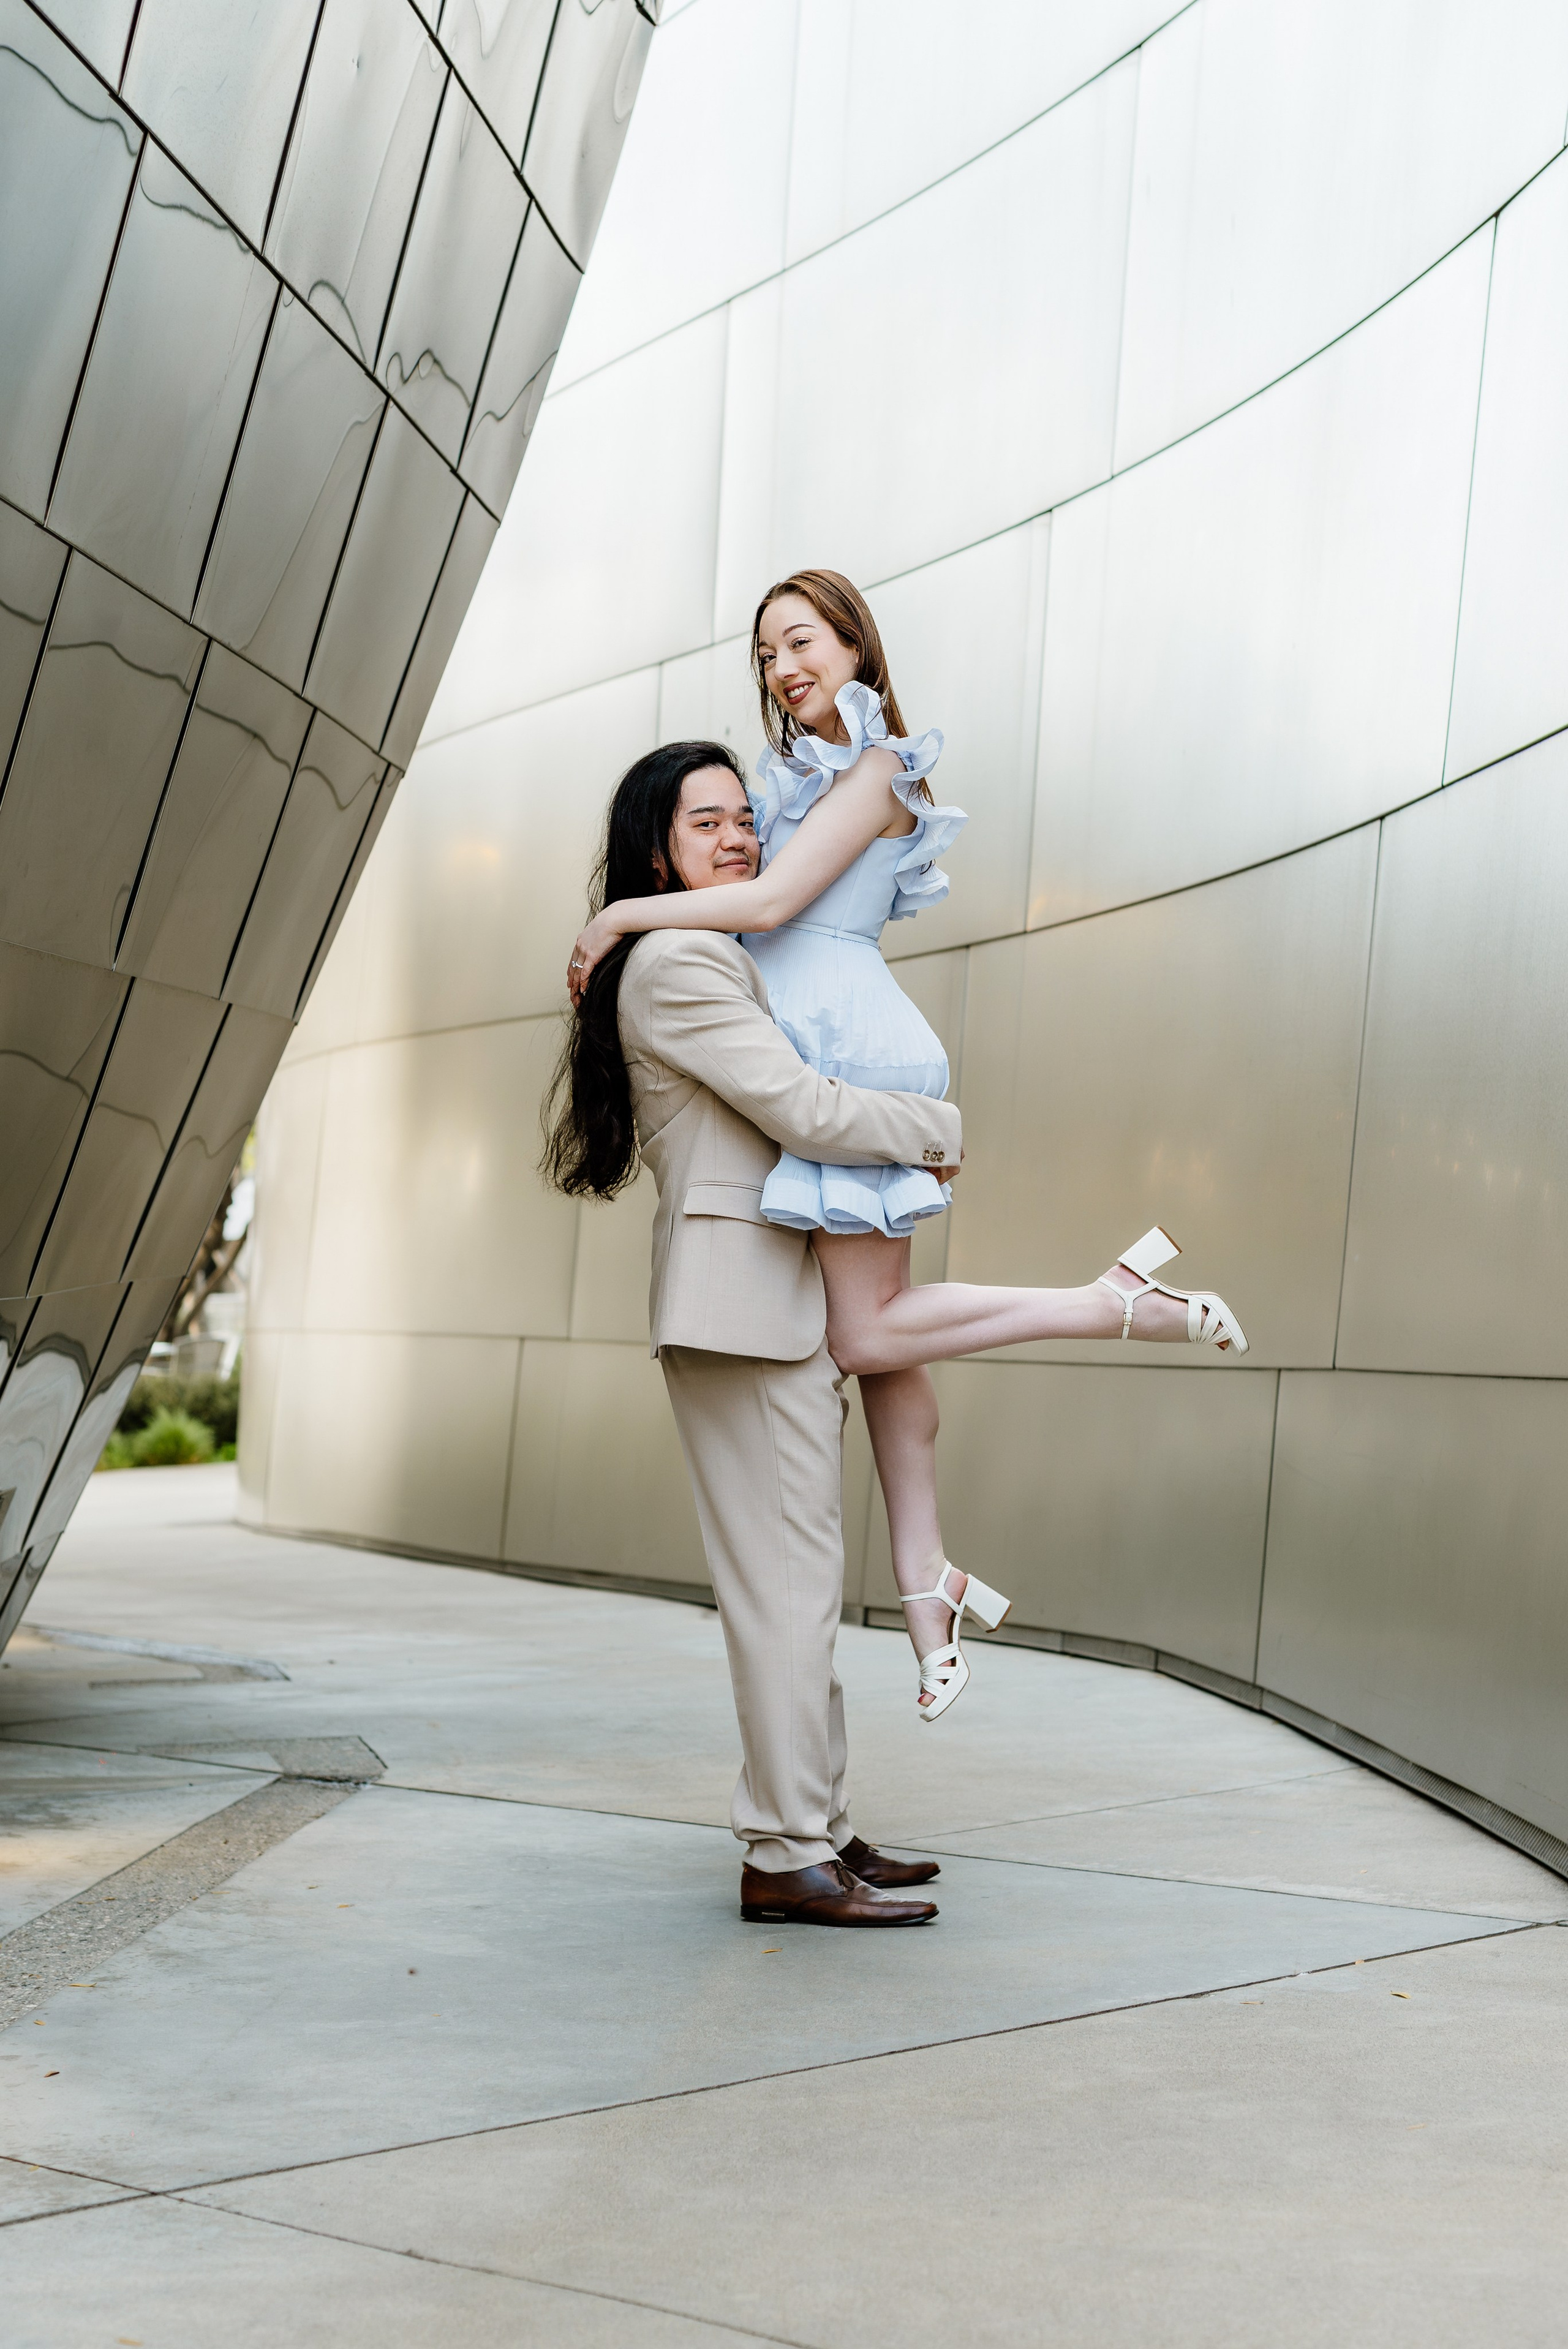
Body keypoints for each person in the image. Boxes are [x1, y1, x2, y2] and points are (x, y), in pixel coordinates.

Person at [566, 571, 1247, 1725]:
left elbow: (774, 904)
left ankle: (1114, 1301)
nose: (786, 668)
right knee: (883, 1351)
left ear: (854, 646)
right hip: (823, 1034)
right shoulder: (808, 773)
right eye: (769, 652)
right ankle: (926, 1584)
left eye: (805, 642)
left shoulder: (879, 765)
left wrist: (623, 913)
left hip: (846, 1045)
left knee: (865, 1328)